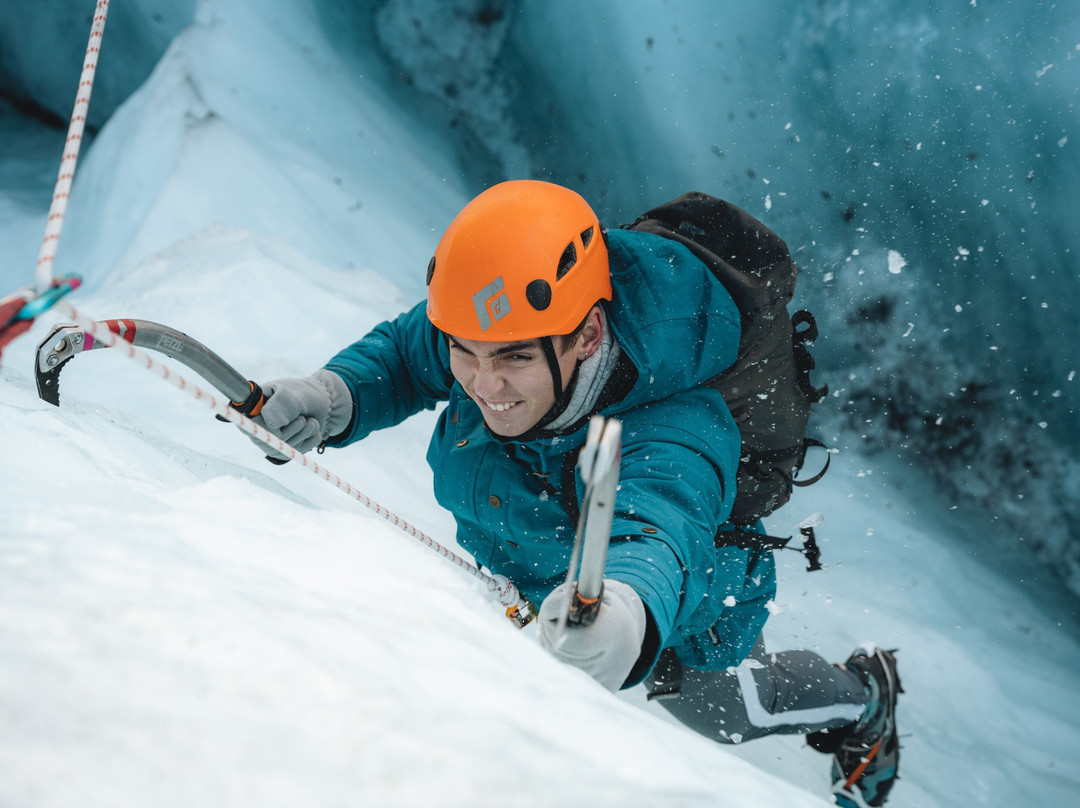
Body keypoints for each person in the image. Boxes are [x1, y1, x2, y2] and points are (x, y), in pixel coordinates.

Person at [249, 180, 902, 807]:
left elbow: (658, 529)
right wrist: (331, 397)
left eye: (512, 360)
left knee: (729, 710)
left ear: (588, 334)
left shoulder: (673, 427)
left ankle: (866, 699)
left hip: (689, 583)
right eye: (466, 353)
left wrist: (622, 614)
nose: (484, 384)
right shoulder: (499, 326)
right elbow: (402, 354)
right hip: (548, 571)